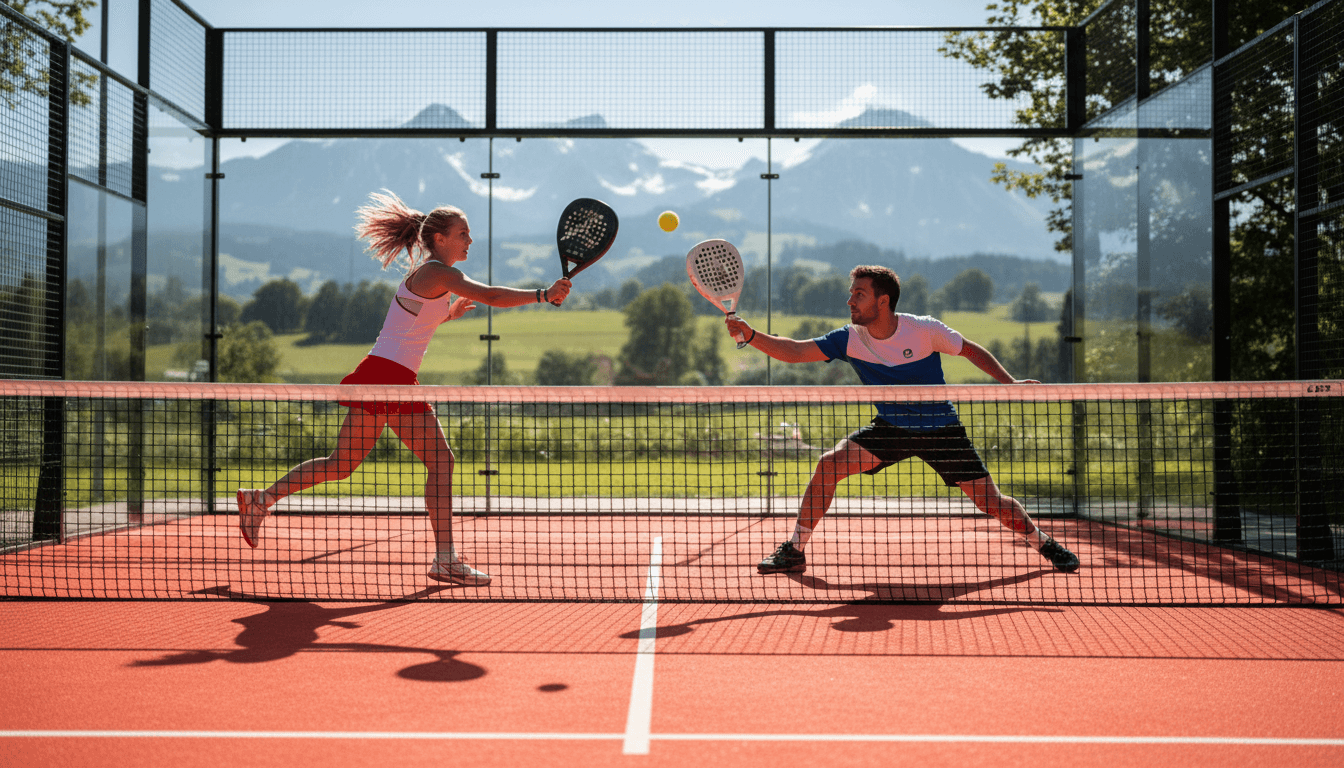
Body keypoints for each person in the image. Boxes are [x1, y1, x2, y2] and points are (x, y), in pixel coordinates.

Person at [236, 190, 573, 586]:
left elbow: (409, 329)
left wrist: (445, 315)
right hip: (388, 377)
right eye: (463, 233)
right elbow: (492, 296)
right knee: (441, 462)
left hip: (386, 373)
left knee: (341, 465)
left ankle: (261, 499)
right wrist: (542, 294)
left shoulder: (436, 279)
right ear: (440, 239)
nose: (469, 240)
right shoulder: (438, 273)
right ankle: (445, 558)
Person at [725, 265, 1079, 577]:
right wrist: (751, 335)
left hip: (941, 431)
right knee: (828, 465)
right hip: (891, 428)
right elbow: (796, 351)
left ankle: (1043, 543)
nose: (850, 302)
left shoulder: (923, 330)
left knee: (991, 503)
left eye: (859, 295)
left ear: (883, 301)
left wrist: (1010, 384)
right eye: (851, 294)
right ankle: (795, 550)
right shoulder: (849, 338)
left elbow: (970, 349)